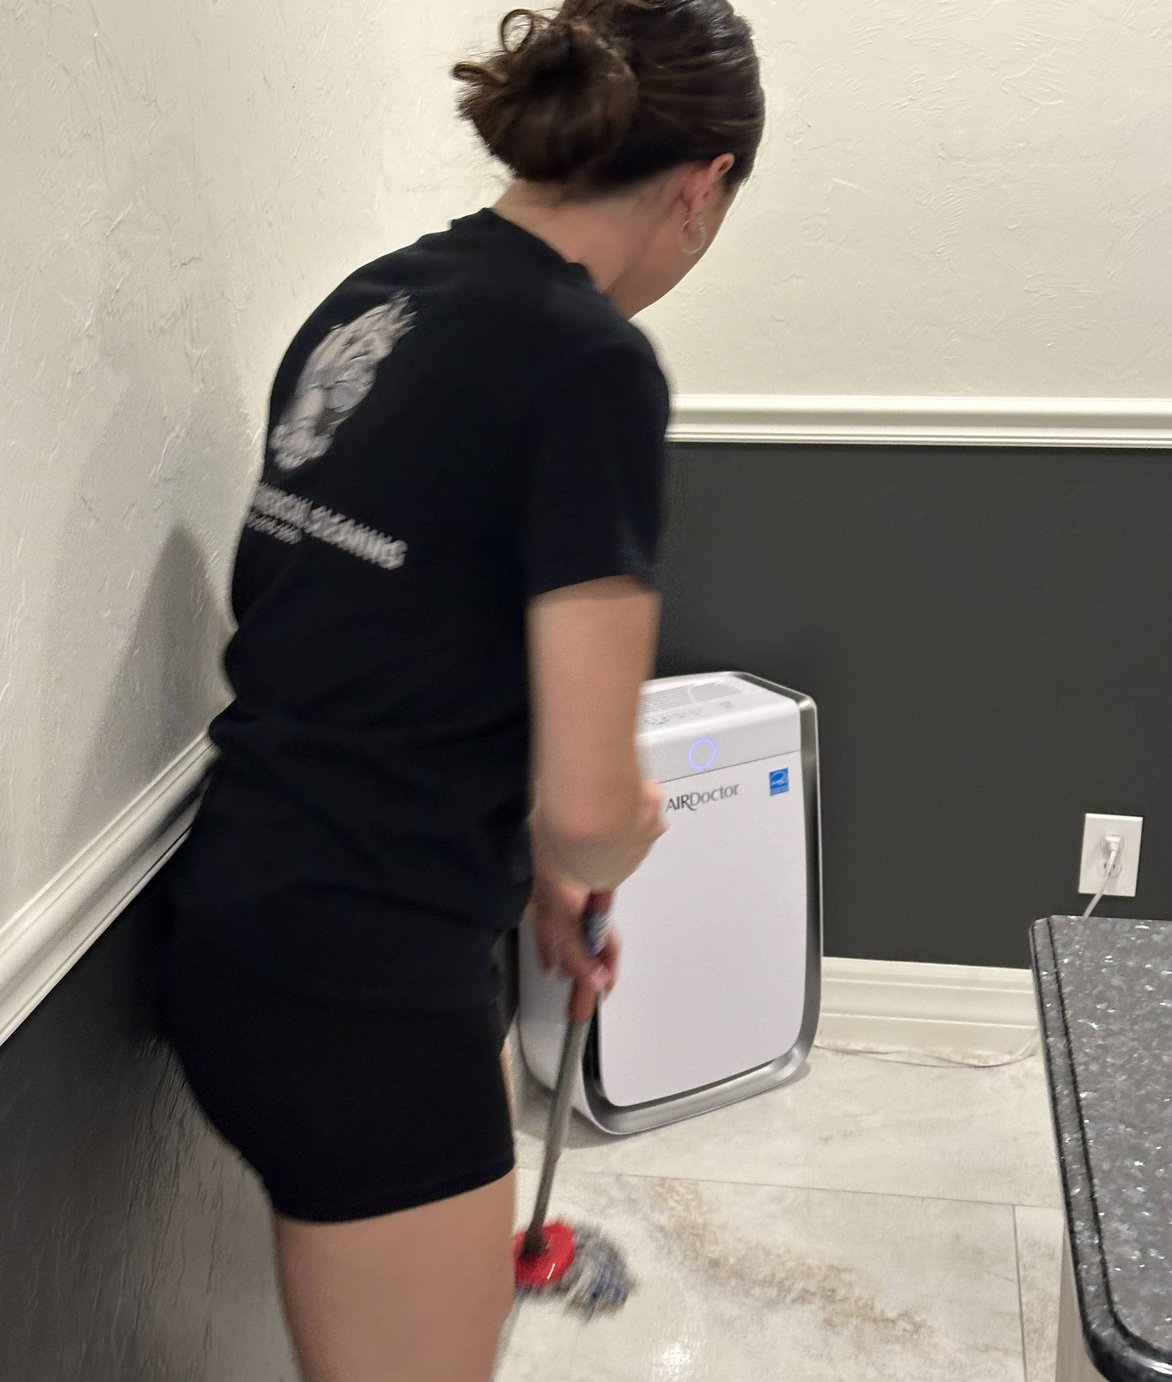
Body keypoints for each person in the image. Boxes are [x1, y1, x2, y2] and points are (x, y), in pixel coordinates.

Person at [160, 1, 765, 1377]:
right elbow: (596, 806)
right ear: (703, 184)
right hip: (362, 982)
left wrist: (540, 876)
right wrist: (605, 839)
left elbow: (380, 641)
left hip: (248, 914)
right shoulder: (589, 362)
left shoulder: (374, 297)